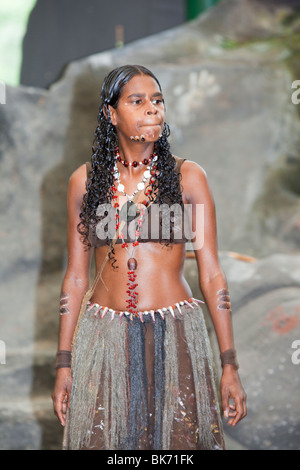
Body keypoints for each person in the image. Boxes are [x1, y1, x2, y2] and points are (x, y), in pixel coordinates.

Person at [52, 64, 247, 451]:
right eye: (137, 101)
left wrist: (229, 363)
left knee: (179, 444)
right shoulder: (85, 182)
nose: (152, 109)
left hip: (175, 334)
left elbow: (211, 275)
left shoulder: (188, 177)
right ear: (111, 113)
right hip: (104, 337)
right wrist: (63, 363)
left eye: (157, 100)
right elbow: (76, 277)